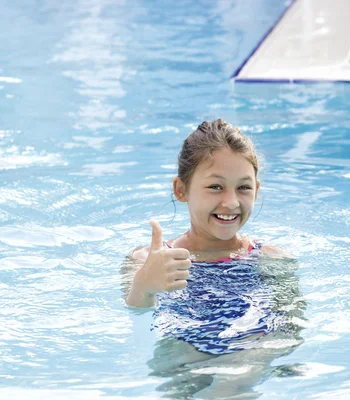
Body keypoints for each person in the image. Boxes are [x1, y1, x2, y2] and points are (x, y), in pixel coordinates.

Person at [121, 119, 306, 398]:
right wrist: (143, 285)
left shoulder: (270, 258)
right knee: (175, 363)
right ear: (181, 190)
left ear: (256, 189)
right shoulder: (149, 260)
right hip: (184, 348)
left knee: (238, 373)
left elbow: (292, 327)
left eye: (243, 187)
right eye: (216, 187)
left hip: (250, 350)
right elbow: (136, 313)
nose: (231, 202)